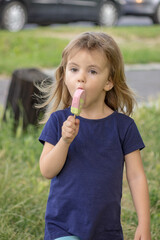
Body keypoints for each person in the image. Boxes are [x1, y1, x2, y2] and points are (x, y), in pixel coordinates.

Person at [38, 32, 151, 240]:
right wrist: (64, 141)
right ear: (65, 75)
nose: (80, 77)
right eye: (73, 69)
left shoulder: (123, 127)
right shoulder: (58, 121)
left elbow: (136, 176)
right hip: (63, 227)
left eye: (92, 71)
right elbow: (46, 170)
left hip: (106, 230)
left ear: (108, 82)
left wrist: (144, 223)